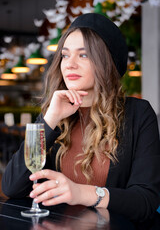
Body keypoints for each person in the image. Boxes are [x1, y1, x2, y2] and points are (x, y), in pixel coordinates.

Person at [2, 13, 160, 222]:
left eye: (83, 55)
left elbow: (146, 201)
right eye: (65, 55)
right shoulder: (55, 115)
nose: (70, 64)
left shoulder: (139, 114)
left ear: (107, 62)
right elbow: (12, 186)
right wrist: (49, 119)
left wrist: (80, 193)